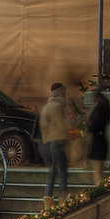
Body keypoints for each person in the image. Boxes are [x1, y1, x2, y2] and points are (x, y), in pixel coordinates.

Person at [38, 82, 71, 210]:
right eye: (64, 92)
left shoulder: (46, 107)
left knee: (52, 172)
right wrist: (75, 122)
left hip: (49, 144)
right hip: (58, 142)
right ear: (60, 92)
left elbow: (44, 128)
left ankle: (48, 200)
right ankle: (63, 199)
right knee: (62, 172)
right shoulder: (58, 106)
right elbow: (64, 125)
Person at [85, 90, 110, 185]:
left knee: (97, 173)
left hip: (97, 142)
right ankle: (101, 188)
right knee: (98, 172)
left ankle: (100, 191)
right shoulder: (104, 108)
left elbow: (95, 124)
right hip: (101, 141)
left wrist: (89, 128)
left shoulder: (98, 108)